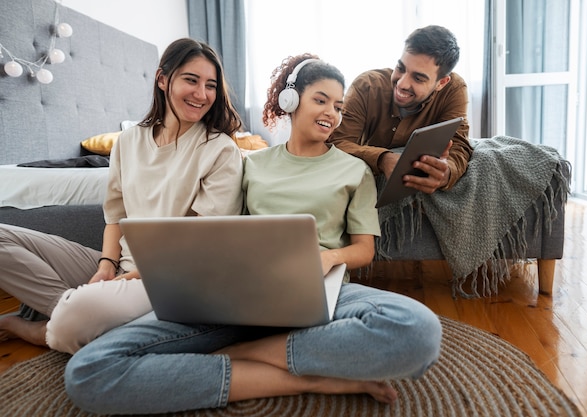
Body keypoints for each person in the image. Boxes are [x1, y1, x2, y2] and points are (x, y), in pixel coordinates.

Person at [63, 54, 442, 414]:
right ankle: (305, 380)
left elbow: (363, 250)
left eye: (339, 106)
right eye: (321, 100)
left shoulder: (354, 171)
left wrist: (327, 257)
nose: (331, 113)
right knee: (88, 371)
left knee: (417, 331)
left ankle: (245, 354)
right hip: (234, 294)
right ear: (291, 100)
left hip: (317, 288)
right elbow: (221, 233)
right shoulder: (252, 164)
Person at [0, 38, 244, 354]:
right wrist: (105, 266)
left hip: (169, 276)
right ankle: (70, 314)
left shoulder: (221, 151)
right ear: (162, 79)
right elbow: (116, 215)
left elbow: (200, 241)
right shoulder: (129, 141)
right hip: (120, 264)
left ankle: (41, 326)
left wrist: (130, 277)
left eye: (211, 85)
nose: (202, 94)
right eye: (191, 80)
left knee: (71, 320)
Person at [328, 25, 473, 194]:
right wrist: (383, 158)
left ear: (441, 83)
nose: (402, 84)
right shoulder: (366, 86)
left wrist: (447, 172)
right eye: (401, 68)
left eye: (418, 78)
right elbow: (337, 143)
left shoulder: (454, 89)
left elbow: (459, 143)